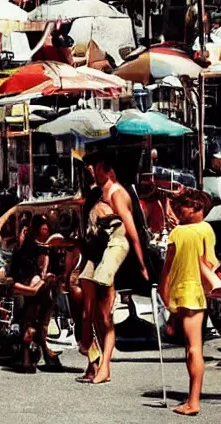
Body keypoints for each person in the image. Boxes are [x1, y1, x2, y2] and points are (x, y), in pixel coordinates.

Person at [77, 152, 149, 385]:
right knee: (89, 313)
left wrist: (142, 263)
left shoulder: (117, 194)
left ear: (106, 169)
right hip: (95, 252)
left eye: (94, 167)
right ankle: (93, 362)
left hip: (114, 248)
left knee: (105, 314)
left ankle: (105, 366)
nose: (90, 170)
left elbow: (132, 231)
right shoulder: (97, 193)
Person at [160, 190, 217, 416]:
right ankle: (191, 397)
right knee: (192, 347)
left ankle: (193, 401)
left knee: (193, 348)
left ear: (194, 208)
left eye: (181, 208)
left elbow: (167, 269)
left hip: (182, 291)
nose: (177, 211)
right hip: (197, 292)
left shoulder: (177, 233)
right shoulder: (206, 230)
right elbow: (210, 262)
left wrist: (165, 299)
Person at [9, 215, 61, 373]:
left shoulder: (42, 247)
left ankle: (40, 354)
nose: (47, 231)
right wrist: (42, 279)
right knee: (33, 319)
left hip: (36, 287)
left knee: (37, 321)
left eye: (47, 229)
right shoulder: (29, 248)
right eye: (44, 228)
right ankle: (34, 355)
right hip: (31, 286)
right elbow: (27, 273)